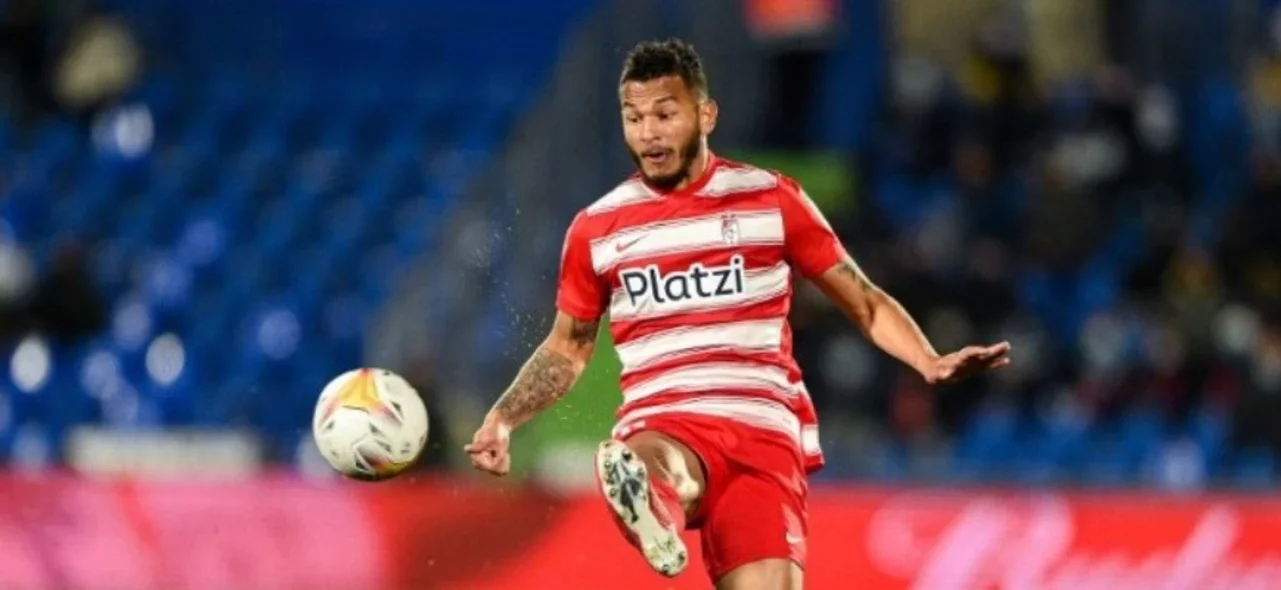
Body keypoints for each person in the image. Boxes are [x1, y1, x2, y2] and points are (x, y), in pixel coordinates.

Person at [465, 38, 1012, 589]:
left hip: (762, 432)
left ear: (706, 115)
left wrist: (927, 360)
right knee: (651, 460)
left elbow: (864, 301)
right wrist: (504, 418)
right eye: (634, 118)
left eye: (664, 114)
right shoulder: (597, 229)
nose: (648, 132)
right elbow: (567, 347)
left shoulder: (772, 200)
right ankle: (651, 501)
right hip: (668, 419)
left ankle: (655, 500)